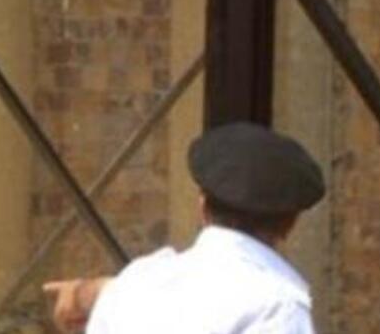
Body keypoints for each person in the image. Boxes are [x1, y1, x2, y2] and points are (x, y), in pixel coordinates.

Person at [43, 121, 326, 334]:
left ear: (202, 207)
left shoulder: (138, 283)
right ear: (289, 225)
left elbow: (125, 291)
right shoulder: (276, 304)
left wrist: (81, 293)